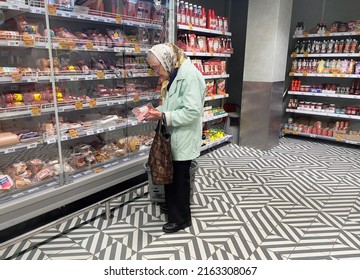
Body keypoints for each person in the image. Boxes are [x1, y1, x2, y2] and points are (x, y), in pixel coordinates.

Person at [143, 43, 205, 233]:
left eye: (156, 67)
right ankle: (173, 208)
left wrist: (163, 116)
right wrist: (156, 111)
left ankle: (181, 219)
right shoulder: (175, 72)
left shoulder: (189, 76)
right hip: (173, 135)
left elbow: (192, 112)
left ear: (166, 60)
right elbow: (173, 106)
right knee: (171, 175)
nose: (156, 72)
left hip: (184, 137)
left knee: (180, 179)